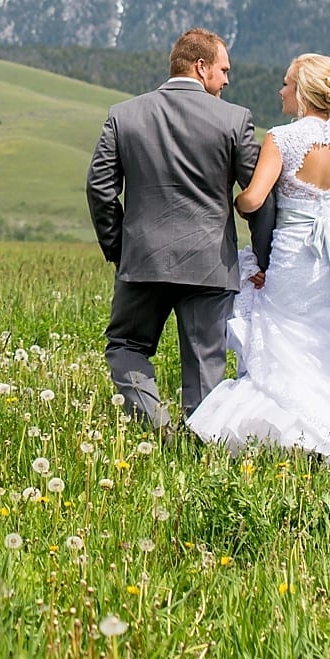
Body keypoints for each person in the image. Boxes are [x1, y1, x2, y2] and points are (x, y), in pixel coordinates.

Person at [186, 53, 330, 466]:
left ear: (301, 92)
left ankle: (284, 435)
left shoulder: (282, 139)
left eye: (285, 83)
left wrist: (236, 199)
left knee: (285, 341)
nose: (280, 90)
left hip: (293, 261)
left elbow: (253, 198)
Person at [85, 28, 260, 430]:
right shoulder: (236, 120)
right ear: (200, 67)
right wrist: (263, 255)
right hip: (211, 265)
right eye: (223, 69)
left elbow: (99, 188)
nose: (227, 80)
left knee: (127, 346)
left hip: (143, 260)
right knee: (204, 365)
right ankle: (199, 451)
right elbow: (258, 197)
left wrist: (119, 247)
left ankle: (158, 428)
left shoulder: (123, 115)